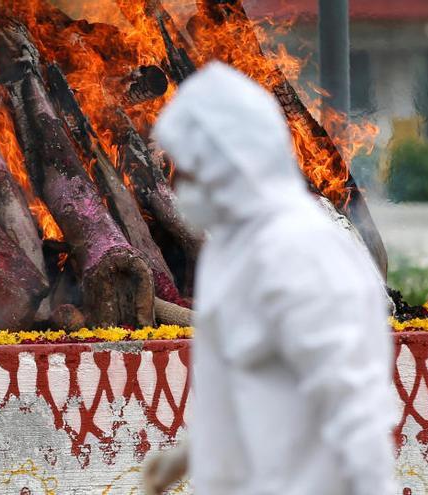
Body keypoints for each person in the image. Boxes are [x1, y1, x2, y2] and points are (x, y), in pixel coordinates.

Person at [143, 62, 397, 495]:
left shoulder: (300, 247)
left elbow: (353, 409)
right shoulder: (233, 249)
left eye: (185, 168)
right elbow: (247, 387)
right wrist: (186, 456)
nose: (175, 183)